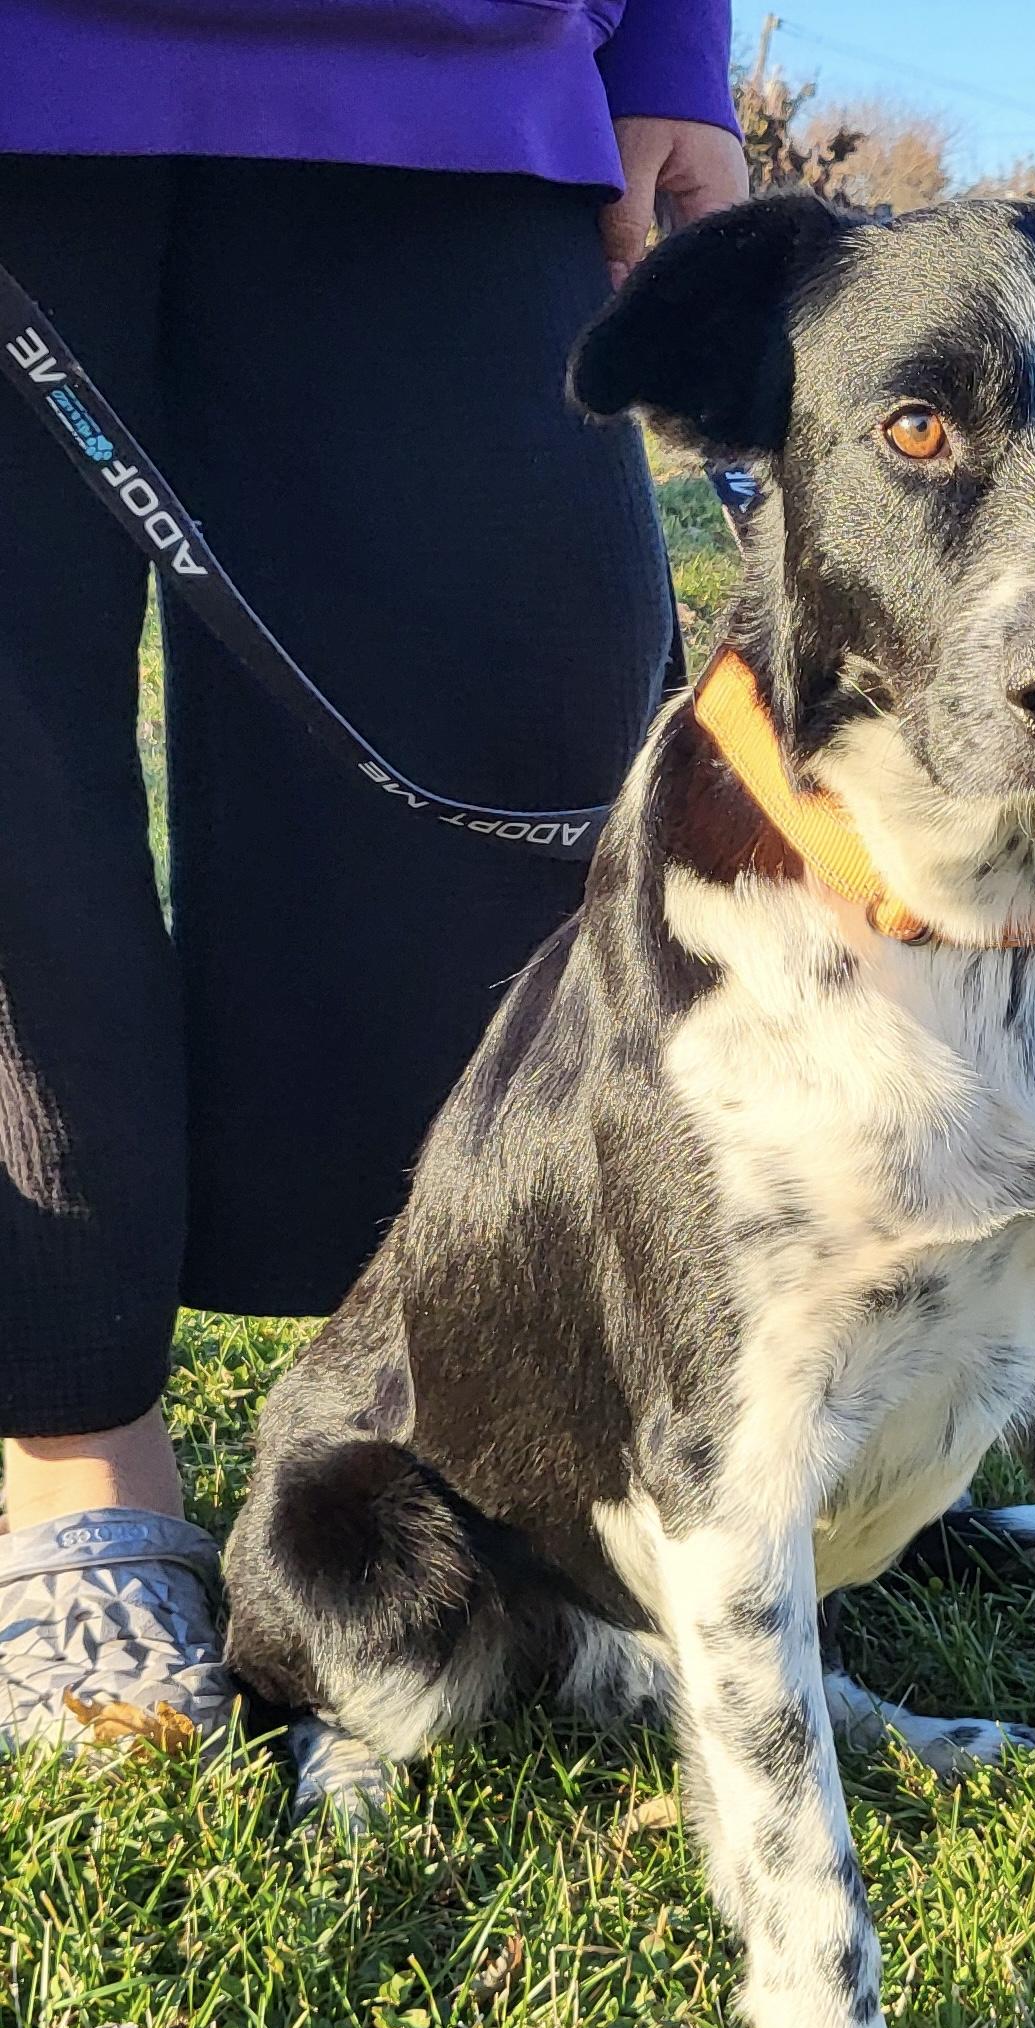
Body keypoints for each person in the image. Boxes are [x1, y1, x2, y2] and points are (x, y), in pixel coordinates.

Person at [0, 2, 746, 1749]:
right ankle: (70, 1454)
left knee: (522, 745)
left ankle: (495, 1426)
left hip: (472, 87)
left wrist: (669, 56)